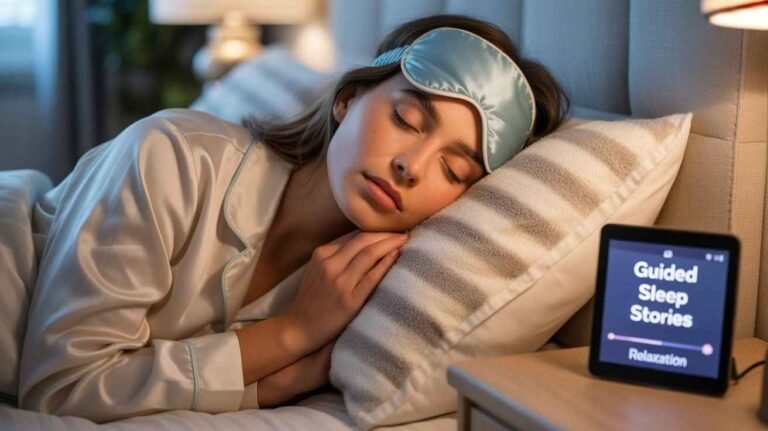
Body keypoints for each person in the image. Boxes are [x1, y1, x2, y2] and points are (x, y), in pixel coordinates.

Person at [18, 14, 569, 422]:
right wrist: (287, 342)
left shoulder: (371, 292)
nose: (411, 166)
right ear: (348, 100)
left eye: (453, 170)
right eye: (406, 118)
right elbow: (61, 388)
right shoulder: (171, 155)